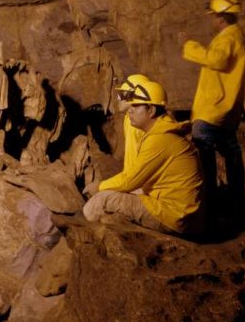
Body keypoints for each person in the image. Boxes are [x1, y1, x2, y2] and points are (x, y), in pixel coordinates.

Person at [83, 81, 203, 235]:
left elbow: (130, 180)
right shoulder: (161, 133)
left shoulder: (160, 139)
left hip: (174, 214)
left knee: (102, 200)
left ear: (151, 110)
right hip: (179, 209)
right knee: (123, 193)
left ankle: (89, 237)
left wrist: (99, 187)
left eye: (136, 106)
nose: (130, 111)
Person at [182, 0, 245, 217]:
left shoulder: (228, 38)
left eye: (213, 16)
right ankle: (236, 199)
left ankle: (208, 200)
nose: (211, 20)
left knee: (204, 154)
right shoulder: (238, 36)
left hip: (213, 109)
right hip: (227, 109)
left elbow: (217, 60)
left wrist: (190, 46)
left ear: (221, 17)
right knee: (231, 153)